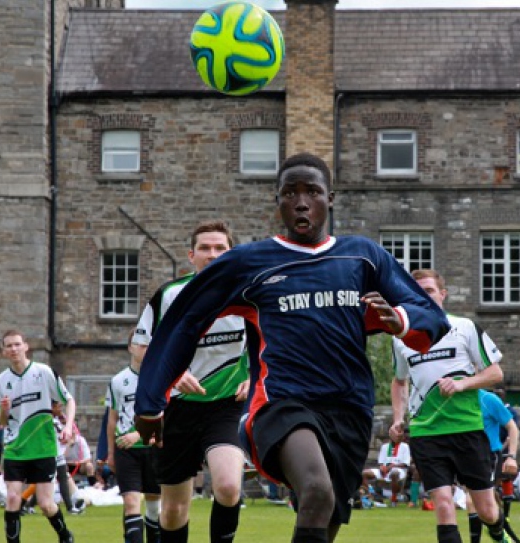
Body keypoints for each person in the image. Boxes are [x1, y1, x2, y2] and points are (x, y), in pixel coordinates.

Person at [134, 152, 451, 543]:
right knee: (316, 491)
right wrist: (150, 400)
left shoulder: (363, 256)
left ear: (330, 198)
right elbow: (183, 321)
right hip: (282, 403)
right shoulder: (248, 262)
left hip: (350, 408)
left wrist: (400, 319)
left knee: (327, 511)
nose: (301, 201)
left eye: (312, 191)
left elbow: (431, 316)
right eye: (290, 193)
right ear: (278, 201)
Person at [133, 220, 250, 543]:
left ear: (232, 253)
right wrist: (173, 373)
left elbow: (270, 343)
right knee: (173, 510)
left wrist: (253, 377)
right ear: (191, 255)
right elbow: (140, 347)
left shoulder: (248, 294)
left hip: (225, 406)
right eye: (205, 248)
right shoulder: (170, 296)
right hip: (176, 410)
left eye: (220, 248)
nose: (212, 255)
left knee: (227, 486)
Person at [389, 268, 510, 543]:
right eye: (416, 291)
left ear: (442, 295)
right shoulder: (401, 338)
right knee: (443, 504)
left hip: (466, 428)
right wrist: (398, 418)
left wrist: (461, 384)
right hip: (425, 433)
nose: (423, 296)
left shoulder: (464, 327)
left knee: (488, 510)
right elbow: (399, 382)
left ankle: (499, 533)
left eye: (429, 290)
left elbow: (495, 373)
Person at [0, 330, 76, 543]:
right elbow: (1, 421)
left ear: (26, 346)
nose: (14, 349)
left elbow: (69, 400)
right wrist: (5, 410)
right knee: (12, 498)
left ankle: (65, 536)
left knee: (46, 504)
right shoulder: (0, 382)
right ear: (3, 351)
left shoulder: (43, 372)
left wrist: (68, 426)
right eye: (9, 346)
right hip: (15, 448)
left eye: (17, 344)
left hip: (43, 447)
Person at [106, 329, 163, 543]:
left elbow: (166, 415)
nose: (144, 349)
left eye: (149, 345)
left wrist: (139, 435)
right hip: (126, 450)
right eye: (140, 344)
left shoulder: (162, 378)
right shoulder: (118, 381)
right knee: (131, 503)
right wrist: (110, 453)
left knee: (153, 506)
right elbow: (112, 419)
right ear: (130, 347)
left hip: (154, 448)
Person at [474, 389, 520, 543]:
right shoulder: (455, 400)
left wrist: (511, 457)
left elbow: (512, 427)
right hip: (468, 459)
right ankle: (506, 536)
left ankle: (505, 537)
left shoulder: (488, 399)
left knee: (474, 503)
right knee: (486, 506)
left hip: (489, 456)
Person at [52, 401, 87, 515]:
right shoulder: (47, 420)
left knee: (63, 479)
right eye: (58, 407)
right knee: (45, 482)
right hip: (49, 455)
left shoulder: (57, 420)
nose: (60, 409)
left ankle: (69, 507)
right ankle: (25, 504)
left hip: (58, 454)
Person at [362, 435, 411, 505]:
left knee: (394, 473)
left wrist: (393, 466)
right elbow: (381, 462)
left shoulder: (405, 446)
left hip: (399, 470)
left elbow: (406, 463)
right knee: (364, 473)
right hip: (385, 470)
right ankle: (368, 497)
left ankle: (394, 499)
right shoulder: (385, 446)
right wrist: (382, 467)